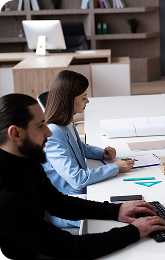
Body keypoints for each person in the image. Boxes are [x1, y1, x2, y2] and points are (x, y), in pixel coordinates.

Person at [0, 93, 165, 259]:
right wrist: (135, 231)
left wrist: (116, 210)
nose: (49, 133)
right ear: (15, 134)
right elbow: (70, 247)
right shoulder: (6, 197)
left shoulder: (26, 160)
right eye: (40, 126)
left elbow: (58, 203)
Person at [41, 70, 135, 228]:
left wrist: (101, 153)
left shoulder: (65, 122)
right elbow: (77, 179)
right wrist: (114, 168)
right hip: (68, 205)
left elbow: (79, 146)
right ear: (68, 100)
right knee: (121, 216)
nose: (88, 101)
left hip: (82, 194)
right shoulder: (53, 134)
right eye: (83, 98)